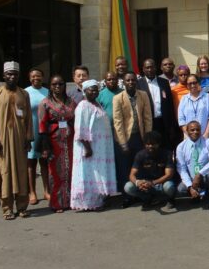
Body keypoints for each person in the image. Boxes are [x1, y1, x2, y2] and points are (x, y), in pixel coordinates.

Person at [0, 62, 33, 220]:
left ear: (18, 76)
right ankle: (7, 208)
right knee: (5, 173)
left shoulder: (24, 94)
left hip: (20, 140)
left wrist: (29, 138)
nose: (12, 76)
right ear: (4, 75)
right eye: (9, 74)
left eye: (14, 74)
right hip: (3, 141)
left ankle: (22, 207)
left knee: (21, 172)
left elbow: (28, 119)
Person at [71, 80, 117, 211]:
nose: (95, 92)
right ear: (84, 91)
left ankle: (98, 199)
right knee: (89, 172)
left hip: (100, 147)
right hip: (90, 146)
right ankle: (89, 202)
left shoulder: (96, 104)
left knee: (96, 172)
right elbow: (80, 129)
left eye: (96, 89)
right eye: (91, 89)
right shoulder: (83, 106)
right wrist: (87, 147)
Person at [112, 72, 153, 208]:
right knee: (125, 169)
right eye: (128, 80)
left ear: (136, 81)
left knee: (141, 167)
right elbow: (117, 122)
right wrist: (123, 143)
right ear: (123, 82)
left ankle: (143, 194)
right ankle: (127, 197)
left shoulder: (143, 95)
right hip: (125, 139)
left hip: (140, 137)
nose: (130, 82)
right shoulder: (118, 98)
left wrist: (148, 139)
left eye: (133, 80)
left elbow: (147, 118)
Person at [39, 74, 77, 212]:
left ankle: (71, 200)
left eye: (60, 84)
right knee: (55, 172)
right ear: (50, 86)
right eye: (54, 84)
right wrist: (45, 146)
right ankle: (57, 203)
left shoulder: (71, 102)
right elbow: (42, 125)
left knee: (71, 171)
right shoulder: (45, 103)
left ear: (64, 86)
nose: (57, 87)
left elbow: (76, 120)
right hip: (53, 141)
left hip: (70, 141)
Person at [124, 131, 176, 210]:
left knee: (169, 186)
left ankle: (170, 199)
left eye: (153, 144)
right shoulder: (140, 155)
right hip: (145, 185)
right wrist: (138, 183)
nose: (150, 146)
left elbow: (169, 175)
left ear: (159, 143)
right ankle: (147, 198)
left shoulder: (167, 154)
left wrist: (153, 183)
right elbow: (132, 175)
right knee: (128, 187)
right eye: (148, 144)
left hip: (161, 184)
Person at [175, 120, 209, 210]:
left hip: (205, 176)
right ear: (187, 131)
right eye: (192, 130)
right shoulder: (181, 147)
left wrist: (199, 174)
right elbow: (181, 169)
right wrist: (190, 186)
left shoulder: (208, 142)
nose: (195, 132)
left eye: (197, 129)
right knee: (181, 189)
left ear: (201, 130)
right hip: (191, 178)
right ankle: (195, 195)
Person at [138, 58, 176, 150]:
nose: (150, 70)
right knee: (150, 149)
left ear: (156, 68)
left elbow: (170, 105)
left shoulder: (164, 82)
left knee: (164, 148)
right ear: (143, 69)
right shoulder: (138, 84)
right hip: (148, 122)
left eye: (152, 67)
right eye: (147, 68)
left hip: (162, 122)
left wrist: (171, 125)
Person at [24, 68, 49, 205]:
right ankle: (32, 192)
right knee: (31, 163)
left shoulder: (48, 92)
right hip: (31, 132)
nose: (36, 78)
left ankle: (46, 190)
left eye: (38, 76)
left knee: (44, 162)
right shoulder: (25, 92)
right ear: (29, 78)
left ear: (42, 77)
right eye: (33, 76)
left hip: (44, 133)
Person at [177, 74, 209, 139]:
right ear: (187, 85)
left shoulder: (207, 97)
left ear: (198, 83)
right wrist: (188, 134)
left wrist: (207, 132)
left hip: (204, 135)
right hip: (188, 136)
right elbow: (181, 119)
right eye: (190, 83)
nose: (192, 85)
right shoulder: (184, 99)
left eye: (194, 83)